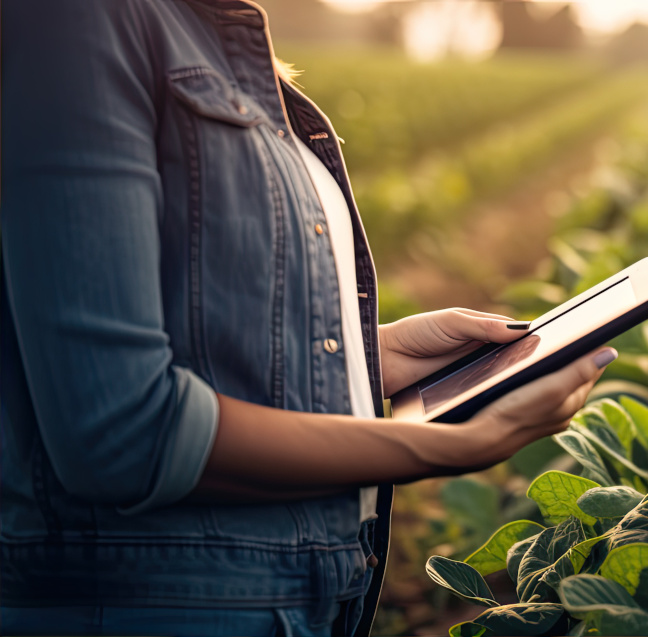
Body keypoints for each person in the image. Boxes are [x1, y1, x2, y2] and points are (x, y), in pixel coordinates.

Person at [0, 2, 613, 635]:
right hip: (166, 609)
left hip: (294, 598)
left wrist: (369, 361)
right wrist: (445, 446)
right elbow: (120, 432)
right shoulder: (79, 22)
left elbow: (197, 334)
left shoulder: (210, 33)